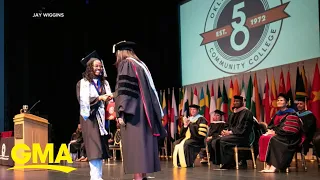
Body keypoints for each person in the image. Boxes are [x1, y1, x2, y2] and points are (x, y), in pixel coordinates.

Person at [112, 40, 166, 180]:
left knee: (135, 144)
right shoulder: (141, 65)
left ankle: (138, 177)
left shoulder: (126, 64)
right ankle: (143, 176)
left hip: (134, 113)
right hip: (145, 110)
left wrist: (121, 111)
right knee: (143, 144)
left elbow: (125, 90)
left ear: (120, 53)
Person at [76, 50, 113, 180]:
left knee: (101, 148)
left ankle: (98, 177)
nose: (99, 68)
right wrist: (99, 98)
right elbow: (83, 101)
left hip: (102, 119)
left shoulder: (105, 83)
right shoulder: (83, 83)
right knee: (94, 148)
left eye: (100, 66)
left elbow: (109, 101)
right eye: (96, 66)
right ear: (90, 68)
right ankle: (95, 177)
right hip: (89, 119)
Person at [259, 93, 304, 172]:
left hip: (289, 138)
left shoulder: (292, 113)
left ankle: (274, 166)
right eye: (278, 100)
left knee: (274, 139)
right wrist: (270, 130)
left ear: (287, 103)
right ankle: (268, 165)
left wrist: (275, 132)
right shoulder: (277, 114)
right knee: (264, 137)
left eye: (281, 100)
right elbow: (271, 126)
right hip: (281, 135)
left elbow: (290, 129)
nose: (279, 102)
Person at [211, 95, 254, 169]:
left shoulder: (247, 113)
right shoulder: (232, 114)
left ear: (242, 103)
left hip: (242, 137)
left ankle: (230, 163)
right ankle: (222, 162)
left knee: (223, 140)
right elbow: (227, 126)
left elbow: (244, 128)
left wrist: (230, 132)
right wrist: (225, 131)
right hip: (234, 136)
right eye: (234, 101)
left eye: (237, 101)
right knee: (216, 140)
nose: (235, 102)